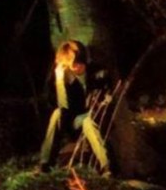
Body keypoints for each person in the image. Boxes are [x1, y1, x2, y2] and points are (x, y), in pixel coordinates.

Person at [38, 39, 112, 176]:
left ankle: (106, 167)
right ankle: (45, 164)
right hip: (69, 119)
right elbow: (62, 107)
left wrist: (106, 99)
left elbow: (106, 89)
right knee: (56, 114)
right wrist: (60, 81)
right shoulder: (61, 77)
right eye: (72, 65)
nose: (76, 68)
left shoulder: (96, 72)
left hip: (88, 117)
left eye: (79, 63)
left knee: (88, 122)